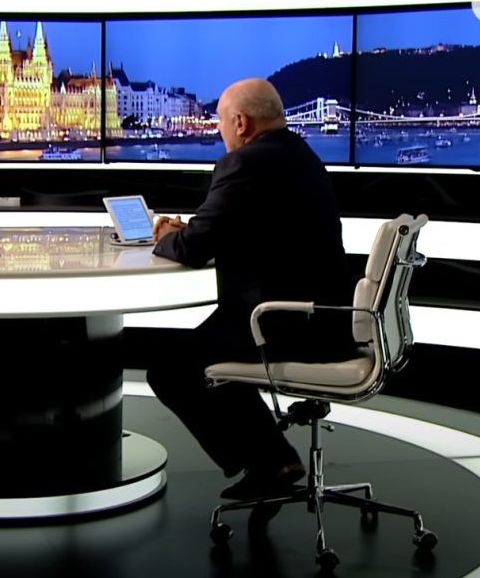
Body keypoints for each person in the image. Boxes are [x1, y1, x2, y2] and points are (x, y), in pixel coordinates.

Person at [148, 78, 358, 500]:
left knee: (171, 368)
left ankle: (268, 462)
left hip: (281, 324)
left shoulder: (244, 162)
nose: (221, 132)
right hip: (327, 317)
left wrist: (166, 236)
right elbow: (257, 226)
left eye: (222, 123)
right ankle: (274, 458)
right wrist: (195, 231)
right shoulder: (302, 154)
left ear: (241, 123)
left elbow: (193, 249)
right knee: (208, 349)